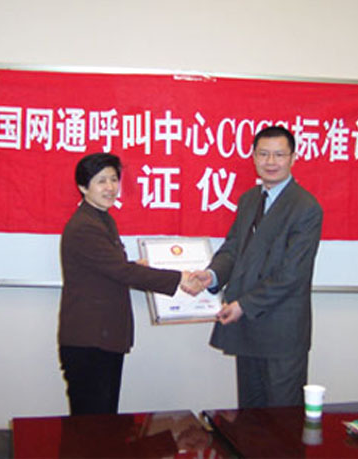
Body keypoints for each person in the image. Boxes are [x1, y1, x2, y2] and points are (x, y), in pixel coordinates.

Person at [58, 153, 200, 415]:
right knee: (91, 422)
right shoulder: (85, 227)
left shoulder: (102, 219)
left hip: (103, 337)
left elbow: (108, 268)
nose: (110, 187)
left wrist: (136, 266)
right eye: (101, 181)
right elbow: (120, 271)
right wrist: (179, 277)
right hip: (90, 339)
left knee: (104, 418)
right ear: (83, 187)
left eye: (114, 179)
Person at [192, 126, 323, 408]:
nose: (270, 162)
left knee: (282, 418)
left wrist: (243, 305)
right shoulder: (249, 199)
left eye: (279, 155)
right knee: (249, 417)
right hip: (247, 326)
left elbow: (292, 274)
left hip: (281, 331)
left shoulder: (305, 207)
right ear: (253, 157)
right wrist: (212, 274)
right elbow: (233, 247)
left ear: (293, 158)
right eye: (263, 154)